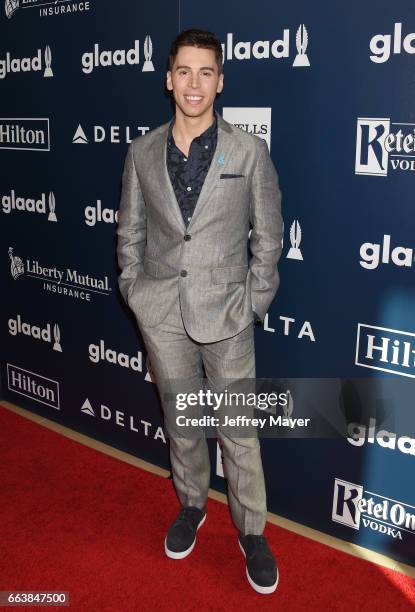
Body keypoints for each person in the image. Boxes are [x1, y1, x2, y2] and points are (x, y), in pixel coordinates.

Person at [116, 28, 283, 595]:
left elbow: (270, 235)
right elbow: (130, 232)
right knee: (183, 421)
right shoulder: (140, 152)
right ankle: (191, 504)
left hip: (228, 314)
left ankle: (253, 532)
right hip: (162, 312)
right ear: (168, 79)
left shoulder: (247, 151)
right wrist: (136, 290)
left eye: (205, 72)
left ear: (220, 81)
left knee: (238, 429)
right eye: (183, 71)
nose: (194, 83)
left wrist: (254, 301)